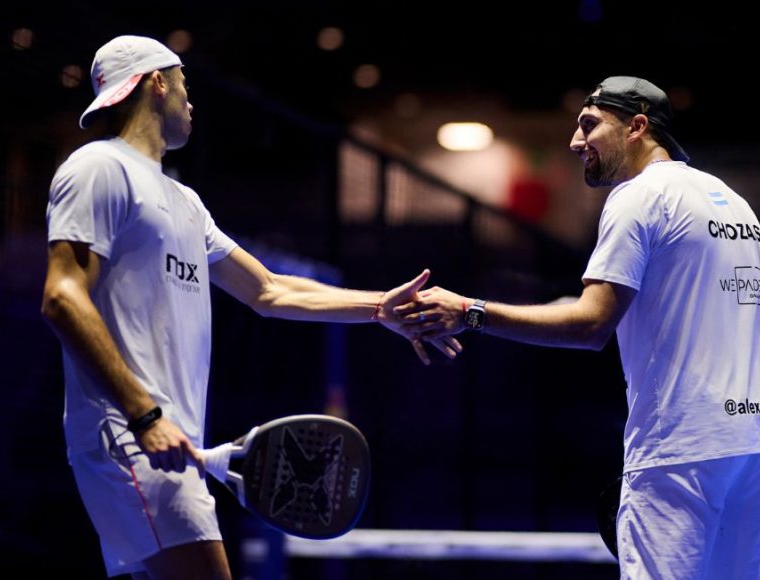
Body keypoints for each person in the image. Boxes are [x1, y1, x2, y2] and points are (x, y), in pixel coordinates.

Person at [40, 35, 459, 579]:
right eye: (184, 84)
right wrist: (145, 415)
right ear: (156, 82)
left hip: (166, 442)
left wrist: (380, 307)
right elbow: (62, 297)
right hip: (129, 435)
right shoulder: (98, 167)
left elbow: (269, 290)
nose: (191, 101)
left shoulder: (185, 202)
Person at [397, 76, 760, 579]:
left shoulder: (638, 196)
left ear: (637, 126)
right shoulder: (733, 201)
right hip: (754, 440)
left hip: (679, 445)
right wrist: (729, 401)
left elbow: (591, 325)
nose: (574, 141)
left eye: (589, 125)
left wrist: (468, 310)